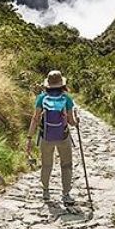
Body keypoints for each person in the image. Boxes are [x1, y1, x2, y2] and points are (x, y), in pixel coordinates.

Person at [26, 70, 79, 203]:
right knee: (66, 165)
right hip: (63, 136)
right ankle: (66, 193)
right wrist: (77, 121)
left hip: (46, 137)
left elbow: (35, 118)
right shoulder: (66, 98)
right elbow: (71, 122)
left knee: (46, 164)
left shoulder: (41, 98)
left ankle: (45, 191)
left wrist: (29, 137)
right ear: (61, 84)